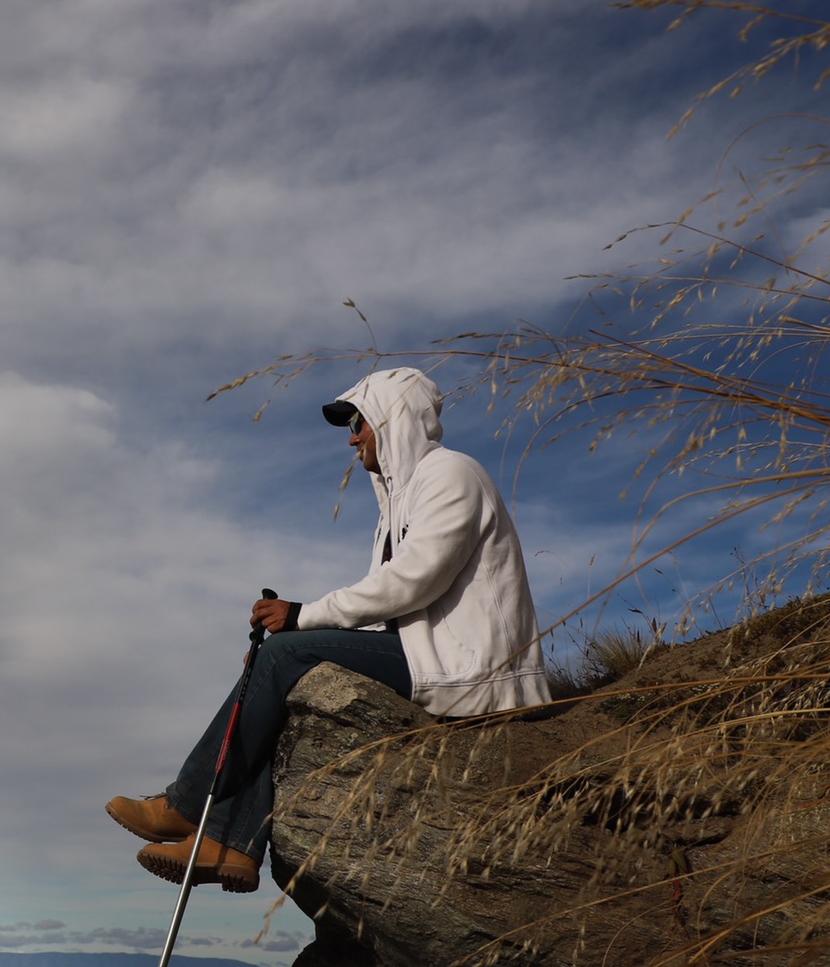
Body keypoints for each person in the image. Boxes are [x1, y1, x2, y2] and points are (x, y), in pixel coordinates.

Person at [107, 367, 549, 891]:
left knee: (282, 657)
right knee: (284, 673)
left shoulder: (452, 475)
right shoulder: (401, 500)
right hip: (430, 654)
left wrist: (302, 619)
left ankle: (187, 805)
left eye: (360, 421)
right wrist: (307, 636)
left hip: (474, 670)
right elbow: (394, 600)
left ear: (393, 419)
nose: (353, 435)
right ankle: (229, 842)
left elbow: (414, 580)